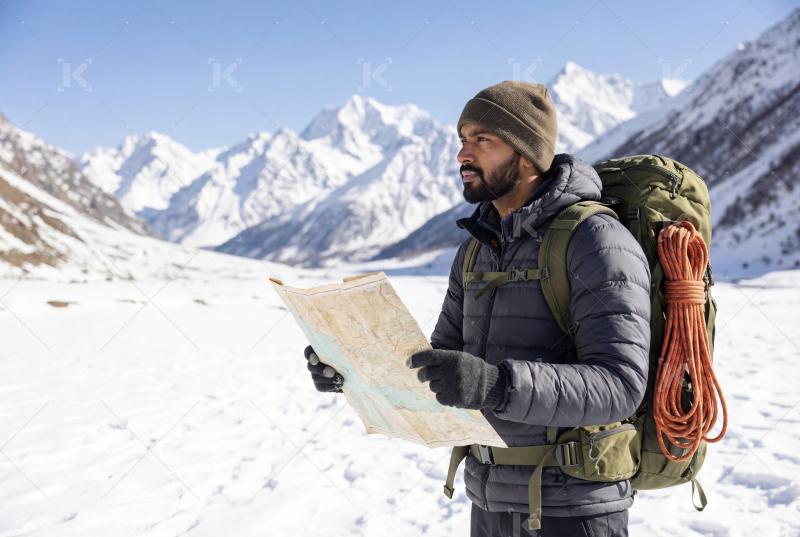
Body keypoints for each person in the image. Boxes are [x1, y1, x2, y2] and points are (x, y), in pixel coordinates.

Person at [304, 81, 651, 537]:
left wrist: (496, 384)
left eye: (481, 140)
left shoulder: (594, 241)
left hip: (574, 509)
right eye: (462, 139)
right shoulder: (475, 250)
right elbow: (440, 368)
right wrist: (348, 370)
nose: (462, 155)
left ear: (526, 153)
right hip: (490, 501)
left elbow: (621, 386)